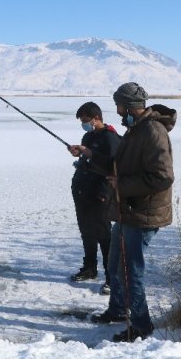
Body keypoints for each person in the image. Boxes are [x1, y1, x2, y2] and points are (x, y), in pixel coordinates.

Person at [71, 82, 176, 342]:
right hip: (128, 210)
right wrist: (88, 154)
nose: (117, 111)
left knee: (130, 270)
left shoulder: (152, 131)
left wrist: (123, 185)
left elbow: (163, 177)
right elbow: (118, 164)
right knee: (115, 265)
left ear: (129, 106)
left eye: (118, 105)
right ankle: (118, 309)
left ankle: (140, 325)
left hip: (142, 213)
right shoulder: (135, 129)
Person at [67, 102, 120, 295]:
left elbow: (113, 167)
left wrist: (105, 194)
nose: (84, 124)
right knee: (86, 231)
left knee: (104, 236)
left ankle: (111, 276)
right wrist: (79, 152)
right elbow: (88, 159)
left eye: (85, 120)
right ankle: (89, 267)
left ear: (96, 118)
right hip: (82, 191)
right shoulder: (88, 136)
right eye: (82, 121)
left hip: (100, 194)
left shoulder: (111, 138)